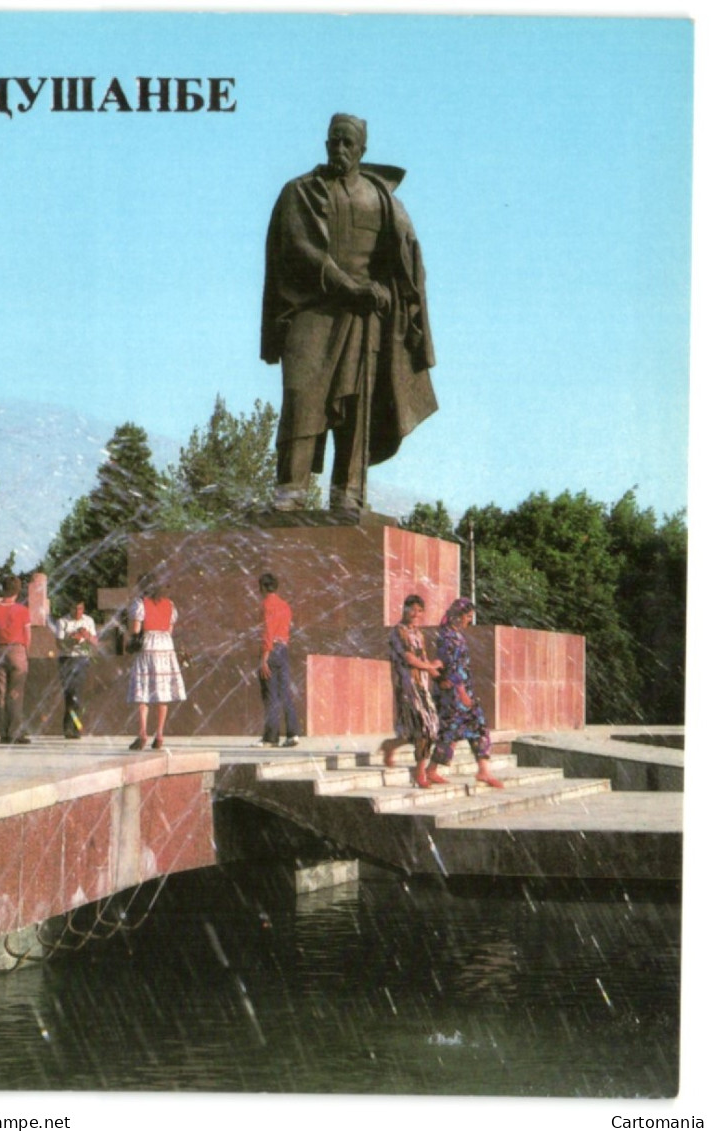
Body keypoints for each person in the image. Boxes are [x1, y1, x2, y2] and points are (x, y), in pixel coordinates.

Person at [261, 113, 437, 513]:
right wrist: (349, 286)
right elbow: (299, 250)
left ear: (362, 150)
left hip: (364, 319)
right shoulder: (300, 192)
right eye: (333, 142)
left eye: (347, 143)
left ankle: (348, 493)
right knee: (301, 395)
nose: (338, 149)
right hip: (312, 311)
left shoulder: (383, 201)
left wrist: (397, 292)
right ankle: (290, 491)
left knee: (358, 405)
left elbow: (407, 261)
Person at [432, 597, 503, 789]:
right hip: (455, 694)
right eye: (468, 616)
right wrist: (462, 693)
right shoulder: (448, 637)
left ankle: (483, 771)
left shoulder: (456, 634)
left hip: (463, 690)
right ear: (458, 616)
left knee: (476, 726)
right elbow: (453, 668)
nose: (469, 621)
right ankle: (431, 769)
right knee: (451, 732)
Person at [381, 595, 442, 789]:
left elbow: (420, 657)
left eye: (419, 610)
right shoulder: (398, 632)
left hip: (421, 686)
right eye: (412, 609)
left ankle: (390, 745)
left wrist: (431, 668)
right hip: (407, 687)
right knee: (427, 726)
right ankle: (420, 772)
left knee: (420, 729)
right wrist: (429, 667)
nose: (415, 614)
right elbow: (408, 658)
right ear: (404, 609)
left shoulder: (418, 633)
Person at [126, 575, 186, 750]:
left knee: (143, 690)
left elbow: (136, 630)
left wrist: (131, 644)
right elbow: (169, 628)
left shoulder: (140, 603)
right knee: (163, 692)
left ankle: (142, 733)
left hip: (148, 646)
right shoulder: (170, 604)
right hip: (165, 646)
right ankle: (159, 735)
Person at [253, 573, 300, 749]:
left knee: (270, 695)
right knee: (285, 692)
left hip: (271, 650)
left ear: (263, 587)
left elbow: (267, 631)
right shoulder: (285, 605)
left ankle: (271, 738)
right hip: (283, 649)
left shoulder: (267, 605)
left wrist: (264, 657)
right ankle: (293, 733)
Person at [0, 576, 32, 745]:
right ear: (17, 590)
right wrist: (25, 653)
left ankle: (3, 732)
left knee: (0, 693)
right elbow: (28, 636)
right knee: (15, 693)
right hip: (17, 649)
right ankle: (15, 731)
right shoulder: (22, 610)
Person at [55, 600, 98, 739]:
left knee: (79, 694)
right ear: (70, 608)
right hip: (68, 659)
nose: (78, 612)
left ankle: (75, 727)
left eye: (80, 609)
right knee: (70, 694)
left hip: (83, 659)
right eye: (75, 609)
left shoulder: (88, 621)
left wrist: (87, 636)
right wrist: (73, 639)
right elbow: (60, 644)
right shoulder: (63, 622)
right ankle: (70, 727)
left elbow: (95, 642)